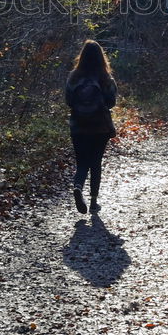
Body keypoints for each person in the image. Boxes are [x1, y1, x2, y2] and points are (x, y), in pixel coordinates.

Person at [65, 39, 117, 215]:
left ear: (82, 56)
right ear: (101, 57)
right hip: (99, 127)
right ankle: (94, 202)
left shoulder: (74, 77)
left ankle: (78, 187)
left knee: (82, 163)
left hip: (78, 126)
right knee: (96, 163)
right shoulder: (105, 78)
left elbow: (68, 101)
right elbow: (111, 102)